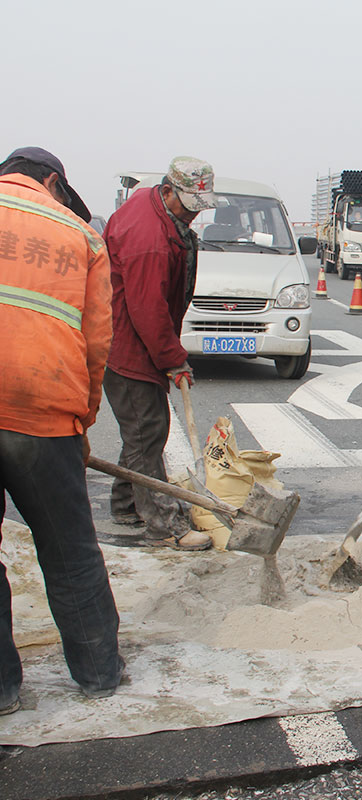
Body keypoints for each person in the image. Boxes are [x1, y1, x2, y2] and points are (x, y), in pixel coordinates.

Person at [0, 146, 124, 713]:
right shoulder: (80, 235)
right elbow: (97, 342)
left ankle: (2, 690)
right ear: (51, 182)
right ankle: (98, 672)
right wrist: (81, 420)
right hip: (43, 413)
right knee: (70, 550)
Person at [102, 157, 217, 551]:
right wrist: (173, 359)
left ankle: (125, 504)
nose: (193, 213)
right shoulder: (149, 239)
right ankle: (163, 527)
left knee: (139, 431)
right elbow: (147, 309)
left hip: (132, 340)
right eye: (189, 205)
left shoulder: (155, 209)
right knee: (147, 432)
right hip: (129, 347)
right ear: (168, 190)